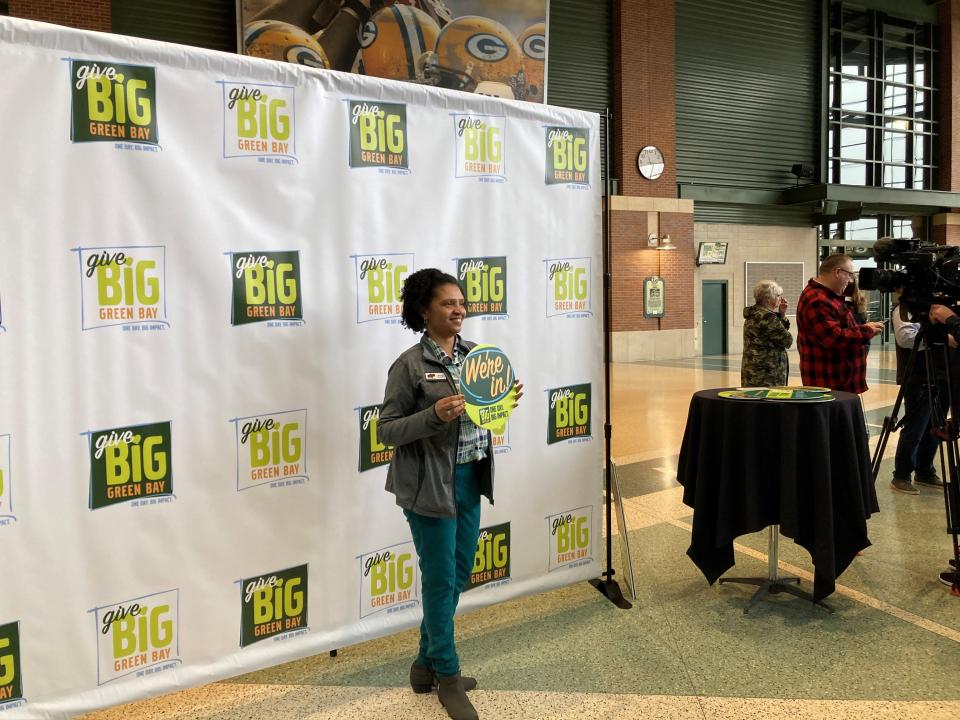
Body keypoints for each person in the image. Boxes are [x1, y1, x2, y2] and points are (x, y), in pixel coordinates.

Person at [378, 268, 522, 720]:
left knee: (457, 575)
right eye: (447, 303)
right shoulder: (409, 365)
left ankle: (424, 665)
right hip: (427, 486)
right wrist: (434, 415)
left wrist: (503, 402)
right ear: (424, 310)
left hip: (469, 479)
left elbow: (486, 418)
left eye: (461, 302)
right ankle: (449, 676)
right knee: (441, 581)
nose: (459, 309)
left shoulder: (479, 357)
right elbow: (386, 431)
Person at [795, 253, 885, 393]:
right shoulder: (818, 300)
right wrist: (867, 330)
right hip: (830, 382)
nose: (851, 281)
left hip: (839, 380)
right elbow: (834, 338)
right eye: (850, 275)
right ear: (837, 272)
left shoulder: (829, 296)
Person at [890, 299, 947, 495]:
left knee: (936, 425)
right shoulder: (904, 309)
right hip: (918, 375)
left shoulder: (940, 309)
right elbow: (906, 338)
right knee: (916, 425)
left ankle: (925, 470)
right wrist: (942, 338)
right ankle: (902, 474)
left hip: (941, 373)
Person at [741, 280, 792, 387]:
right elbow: (787, 340)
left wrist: (782, 315)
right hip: (767, 375)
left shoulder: (753, 313)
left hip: (752, 371)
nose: (780, 299)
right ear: (768, 299)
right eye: (778, 295)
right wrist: (781, 318)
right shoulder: (768, 317)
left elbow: (773, 334)